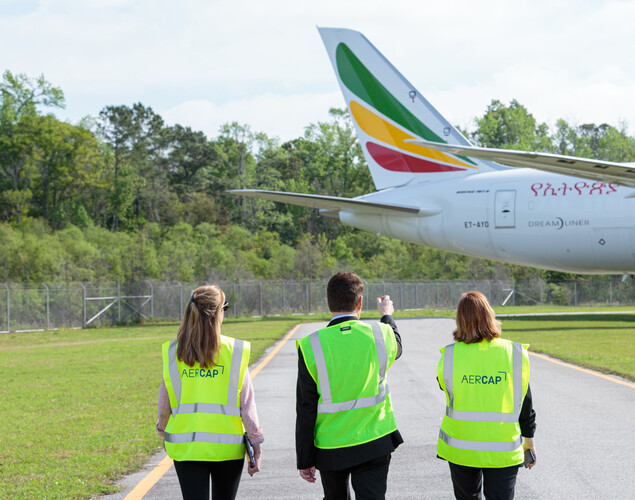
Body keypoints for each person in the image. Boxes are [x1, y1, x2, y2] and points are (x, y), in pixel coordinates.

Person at [296, 271, 403, 500]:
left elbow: (305, 407)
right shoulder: (380, 333)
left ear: (329, 303)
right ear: (360, 302)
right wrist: (386, 314)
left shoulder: (311, 345)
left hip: (331, 446)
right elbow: (397, 344)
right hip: (374, 439)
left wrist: (305, 458)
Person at [156, 285, 263, 500]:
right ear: (219, 312)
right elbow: (246, 405)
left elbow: (164, 404)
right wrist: (255, 442)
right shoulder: (234, 352)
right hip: (228, 449)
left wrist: (163, 430)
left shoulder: (175, 352)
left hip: (187, 448)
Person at [437, 291, 536, 500]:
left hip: (461, 447)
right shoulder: (513, 353)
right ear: (490, 314)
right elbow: (525, 403)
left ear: (460, 320)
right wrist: (529, 441)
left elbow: (445, 388)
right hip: (503, 449)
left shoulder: (450, 355)